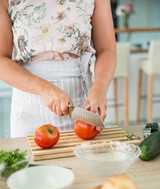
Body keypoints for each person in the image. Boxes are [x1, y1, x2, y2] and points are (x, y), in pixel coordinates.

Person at [0, 0, 116, 138]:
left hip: (82, 105)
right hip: (29, 105)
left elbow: (107, 49)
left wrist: (100, 89)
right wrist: (44, 88)